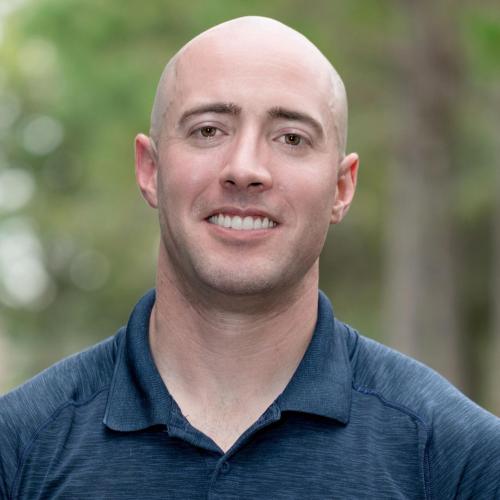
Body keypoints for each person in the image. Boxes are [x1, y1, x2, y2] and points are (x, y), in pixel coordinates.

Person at [1, 16, 499, 499]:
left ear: (341, 188)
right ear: (150, 169)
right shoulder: (17, 450)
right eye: (208, 130)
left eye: (291, 138)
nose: (245, 168)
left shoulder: (463, 462)